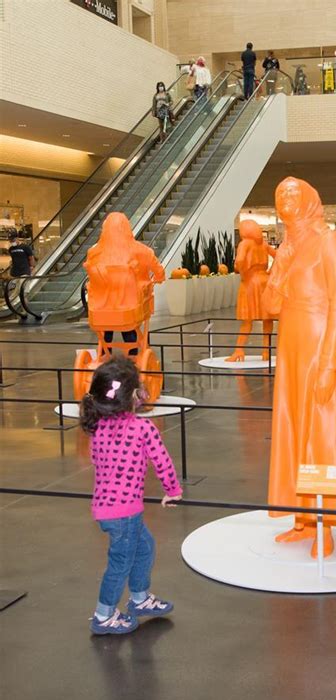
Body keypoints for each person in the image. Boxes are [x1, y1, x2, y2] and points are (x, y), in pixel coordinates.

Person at [262, 178, 336, 558]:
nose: (286, 198)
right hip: (292, 348)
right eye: (281, 194)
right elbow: (270, 307)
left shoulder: (331, 242)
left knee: (322, 436)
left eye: (293, 192)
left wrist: (328, 363)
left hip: (320, 350)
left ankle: (325, 522)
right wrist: (280, 266)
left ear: (310, 199)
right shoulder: (287, 248)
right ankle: (302, 519)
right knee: (294, 427)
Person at [81, 355, 183, 635]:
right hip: (125, 513)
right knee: (120, 564)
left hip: (107, 508)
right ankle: (104, 615)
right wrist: (172, 491)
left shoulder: (97, 427)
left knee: (145, 547)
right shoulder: (143, 428)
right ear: (132, 396)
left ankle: (139, 598)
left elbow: (96, 460)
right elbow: (163, 462)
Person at [84, 212, 165, 357]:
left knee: (106, 326)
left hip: (99, 310)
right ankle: (132, 353)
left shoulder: (94, 252)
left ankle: (103, 353)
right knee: (130, 325)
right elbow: (156, 267)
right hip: (130, 307)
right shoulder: (139, 250)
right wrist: (159, 277)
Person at [226, 219, 276, 363]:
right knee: (267, 318)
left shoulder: (245, 243)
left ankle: (239, 350)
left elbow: (240, 261)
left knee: (247, 320)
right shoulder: (264, 244)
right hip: (264, 281)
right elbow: (278, 257)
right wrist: (271, 272)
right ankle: (266, 351)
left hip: (250, 283)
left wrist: (243, 273)